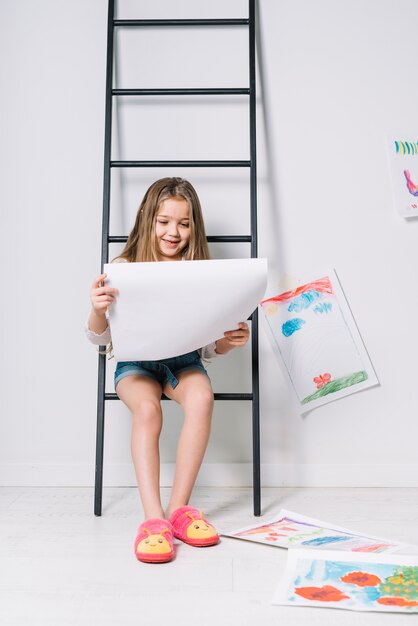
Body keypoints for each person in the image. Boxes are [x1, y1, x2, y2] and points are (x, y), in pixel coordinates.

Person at [85, 177, 250, 563]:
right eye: (164, 221)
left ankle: (179, 511)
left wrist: (230, 338)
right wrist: (96, 309)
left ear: (194, 227)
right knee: (148, 410)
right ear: (147, 218)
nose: (173, 232)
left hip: (184, 362)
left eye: (184, 223)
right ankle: (153, 519)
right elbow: (99, 340)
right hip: (135, 365)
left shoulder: (199, 271)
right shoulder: (125, 267)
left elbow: (209, 346)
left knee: (202, 398)